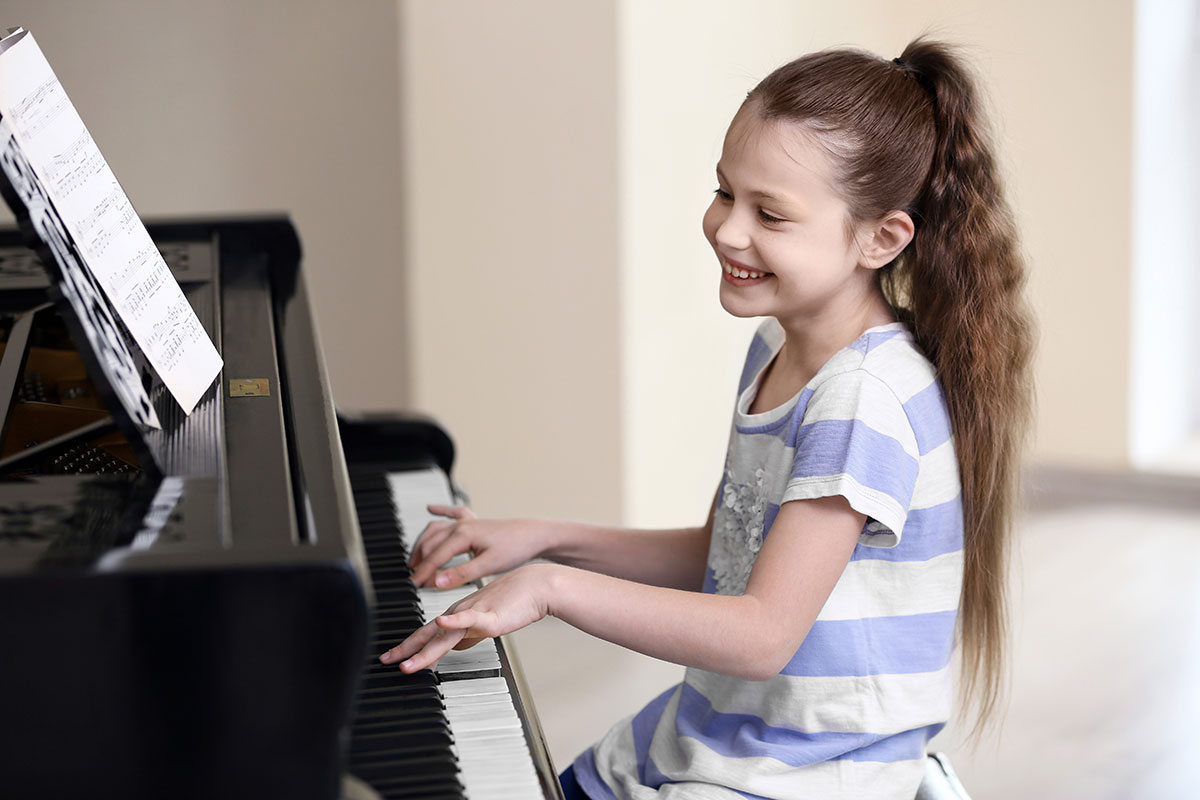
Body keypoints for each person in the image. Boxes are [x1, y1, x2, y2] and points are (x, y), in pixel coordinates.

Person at [379, 36, 1034, 800]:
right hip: (719, 736)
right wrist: (545, 537)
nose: (727, 229)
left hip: (807, 776)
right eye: (726, 192)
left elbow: (760, 634)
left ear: (880, 238)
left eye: (771, 214)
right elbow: (720, 557)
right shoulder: (775, 349)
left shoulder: (865, 399)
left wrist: (552, 588)